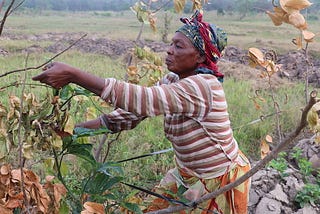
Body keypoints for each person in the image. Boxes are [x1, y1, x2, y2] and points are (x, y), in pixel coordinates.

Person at [33, 10, 251, 214]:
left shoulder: (204, 86)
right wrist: (70, 131)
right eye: (171, 44)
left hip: (219, 179)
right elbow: (128, 116)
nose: (169, 50)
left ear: (201, 58)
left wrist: (74, 75)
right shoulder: (174, 80)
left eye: (179, 46)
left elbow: (144, 101)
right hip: (187, 174)